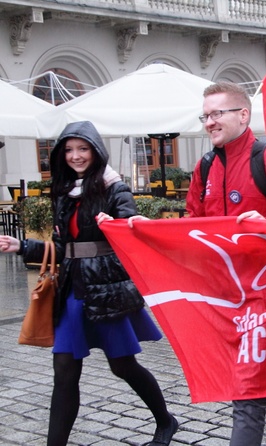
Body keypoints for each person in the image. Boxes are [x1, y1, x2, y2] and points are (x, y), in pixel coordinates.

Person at [0, 121, 178, 446]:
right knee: (64, 371)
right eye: (68, 150)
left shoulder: (114, 187)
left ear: (95, 150)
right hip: (72, 291)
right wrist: (22, 246)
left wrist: (117, 226)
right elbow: (64, 248)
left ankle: (166, 421)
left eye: (82, 148)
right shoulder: (64, 191)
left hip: (107, 288)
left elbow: (132, 228)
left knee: (123, 365)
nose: (75, 156)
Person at [185, 81, 266, 446]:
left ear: (243, 115)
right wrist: (148, 232)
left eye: (217, 114)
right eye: (206, 115)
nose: (210, 122)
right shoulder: (205, 165)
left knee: (247, 388)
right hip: (228, 295)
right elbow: (192, 225)